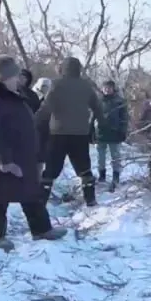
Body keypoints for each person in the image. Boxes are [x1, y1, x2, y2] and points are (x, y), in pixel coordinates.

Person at [0, 55, 67, 250]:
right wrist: (5, 160)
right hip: (2, 160)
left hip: (22, 158)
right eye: (13, 77)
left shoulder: (14, 95)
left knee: (31, 195)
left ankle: (42, 230)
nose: (18, 80)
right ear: (1, 78)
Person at [36, 56, 105, 207]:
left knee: (51, 169)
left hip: (58, 133)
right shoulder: (86, 86)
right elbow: (98, 107)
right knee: (84, 168)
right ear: (78, 69)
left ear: (63, 69)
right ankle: (91, 200)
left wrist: (36, 123)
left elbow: (46, 108)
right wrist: (98, 122)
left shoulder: (57, 85)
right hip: (80, 133)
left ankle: (41, 201)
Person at [94, 79, 129, 190]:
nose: (107, 90)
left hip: (115, 133)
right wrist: (90, 131)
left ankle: (116, 176)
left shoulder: (120, 101)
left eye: (109, 87)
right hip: (100, 133)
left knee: (115, 156)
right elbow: (92, 117)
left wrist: (123, 131)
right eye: (105, 87)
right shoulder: (98, 101)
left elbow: (124, 118)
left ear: (113, 89)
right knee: (100, 157)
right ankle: (102, 176)